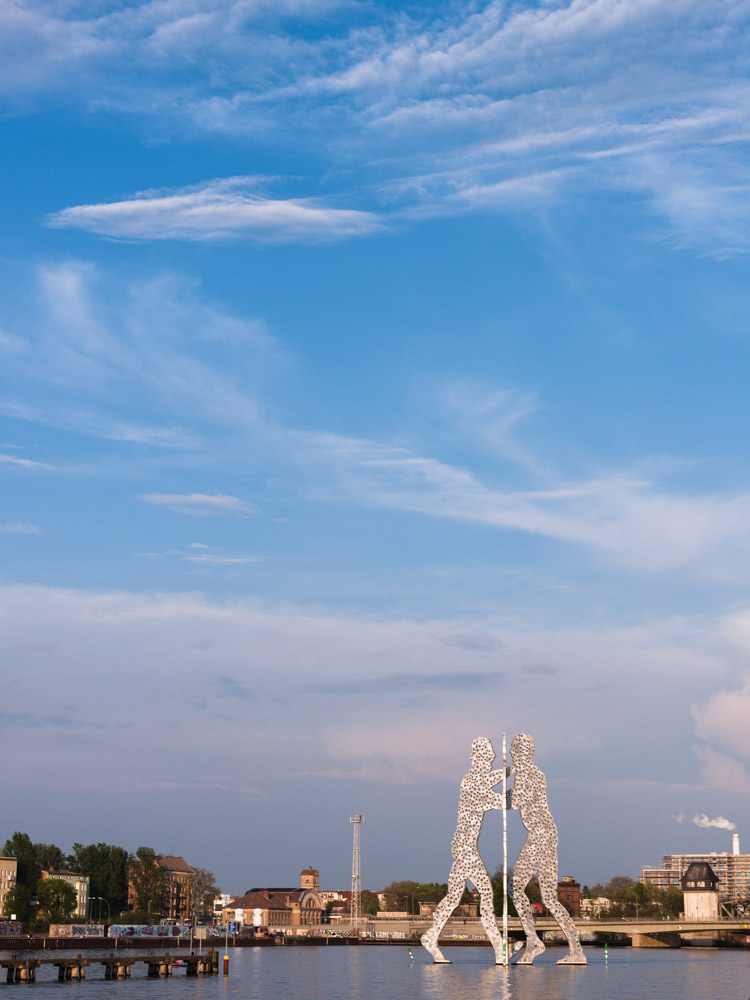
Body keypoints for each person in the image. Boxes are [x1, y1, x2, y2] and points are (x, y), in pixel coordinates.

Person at [421, 737, 507, 964]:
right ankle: (500, 949)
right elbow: (498, 801)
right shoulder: (471, 780)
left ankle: (431, 937)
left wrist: (510, 770)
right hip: (465, 846)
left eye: (492, 756)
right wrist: (520, 793)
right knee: (486, 894)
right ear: (476, 758)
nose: (492, 758)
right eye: (488, 755)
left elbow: (492, 778)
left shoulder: (477, 778)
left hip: (461, 844)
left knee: (453, 897)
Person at [508, 733, 587, 965]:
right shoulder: (531, 772)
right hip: (547, 835)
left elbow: (514, 800)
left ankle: (533, 941)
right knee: (550, 898)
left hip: (540, 836)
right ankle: (576, 950)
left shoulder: (529, 773)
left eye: (515, 751)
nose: (513, 755)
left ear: (524, 753)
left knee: (515, 888)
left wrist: (485, 799)